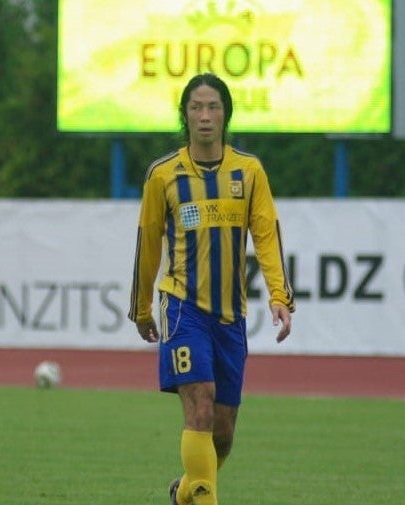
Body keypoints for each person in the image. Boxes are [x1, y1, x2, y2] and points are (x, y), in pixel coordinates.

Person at [128, 73, 295, 505]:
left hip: (230, 316)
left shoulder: (249, 171)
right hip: (183, 307)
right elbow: (148, 243)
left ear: (226, 115)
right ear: (185, 116)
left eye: (213, 107)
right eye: (196, 107)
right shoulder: (163, 175)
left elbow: (266, 235)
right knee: (200, 407)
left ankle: (185, 491)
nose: (205, 116)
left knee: (222, 434)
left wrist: (279, 295)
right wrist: (142, 309)